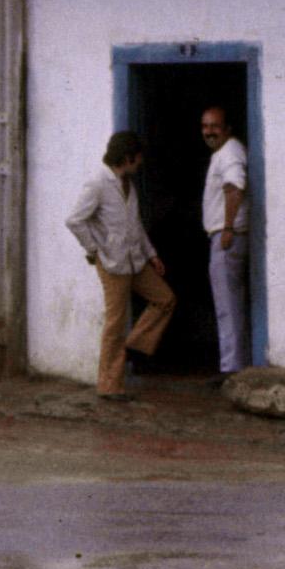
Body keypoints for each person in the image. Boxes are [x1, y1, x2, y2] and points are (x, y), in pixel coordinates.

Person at [66, 130, 174, 399]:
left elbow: (135, 225)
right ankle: (109, 386)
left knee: (165, 299)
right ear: (127, 157)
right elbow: (75, 220)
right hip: (112, 263)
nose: (141, 162)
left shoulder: (128, 184)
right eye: (138, 158)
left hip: (135, 260)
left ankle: (135, 346)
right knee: (115, 323)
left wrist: (151, 255)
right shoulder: (97, 184)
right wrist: (94, 250)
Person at [201, 106, 252, 377]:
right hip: (224, 234)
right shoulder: (224, 152)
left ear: (227, 128)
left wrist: (229, 228)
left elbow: (235, 187)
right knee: (230, 304)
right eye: (205, 126)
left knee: (228, 307)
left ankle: (232, 369)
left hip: (226, 235)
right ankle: (234, 365)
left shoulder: (230, 151)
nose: (209, 131)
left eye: (214, 126)